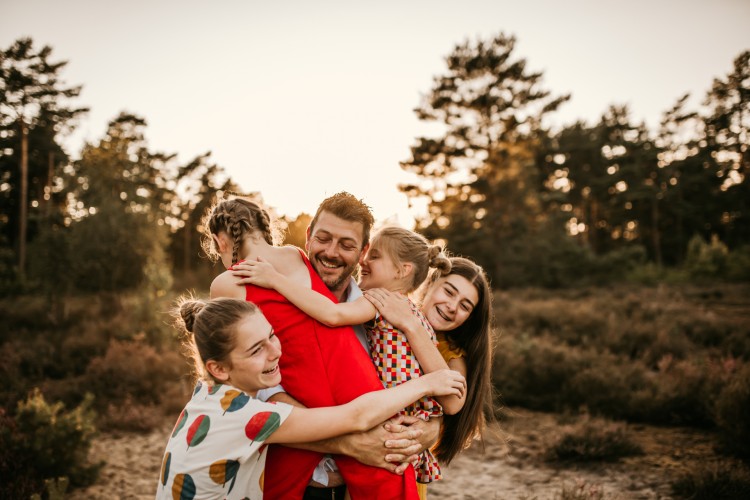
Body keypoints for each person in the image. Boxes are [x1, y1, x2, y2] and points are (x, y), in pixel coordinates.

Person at [203, 197, 422, 499]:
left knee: (275, 486)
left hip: (305, 386)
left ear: (220, 240)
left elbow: (236, 368)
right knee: (390, 470)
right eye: (323, 239)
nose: (330, 252)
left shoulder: (226, 283)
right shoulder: (294, 256)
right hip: (349, 378)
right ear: (305, 238)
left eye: (346, 244)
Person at [156, 297, 466, 500]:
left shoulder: (207, 395)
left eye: (271, 336)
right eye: (256, 350)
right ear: (219, 368)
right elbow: (355, 416)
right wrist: (427, 383)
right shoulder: (245, 416)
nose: (276, 351)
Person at [236, 225, 454, 488]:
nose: (364, 261)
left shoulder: (378, 302)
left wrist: (275, 279)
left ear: (402, 270)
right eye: (324, 238)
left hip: (387, 421)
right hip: (388, 425)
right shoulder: (412, 314)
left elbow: (332, 314)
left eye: (374, 255)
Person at [363, 256, 497, 498]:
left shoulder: (452, 353)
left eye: (465, 306)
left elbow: (454, 401)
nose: (452, 306)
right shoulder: (393, 308)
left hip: (402, 465)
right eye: (449, 291)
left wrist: (411, 325)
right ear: (430, 282)